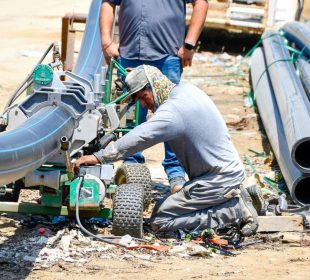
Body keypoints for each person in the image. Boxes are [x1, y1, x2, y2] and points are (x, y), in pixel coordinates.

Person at [74, 65, 259, 236]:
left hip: (216, 180)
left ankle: (234, 211)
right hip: (225, 173)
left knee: (161, 220)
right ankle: (232, 197)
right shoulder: (187, 90)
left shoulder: (172, 112)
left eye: (142, 97)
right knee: (165, 204)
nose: (144, 105)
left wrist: (99, 157)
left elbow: (140, 137)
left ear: (153, 86)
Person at [100, 0, 209, 191]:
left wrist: (189, 44)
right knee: (131, 117)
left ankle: (176, 173)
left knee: (172, 117)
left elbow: (201, 3)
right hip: (130, 54)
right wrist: (106, 41)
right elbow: (108, 3)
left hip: (166, 56)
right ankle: (132, 168)